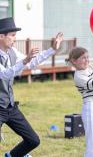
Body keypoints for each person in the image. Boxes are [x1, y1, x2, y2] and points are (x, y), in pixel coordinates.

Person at [0, 17, 63, 157]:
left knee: (33, 141)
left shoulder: (12, 52)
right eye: (12, 35)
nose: (15, 39)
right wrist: (24, 61)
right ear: (1, 36)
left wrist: (52, 50)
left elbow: (31, 62)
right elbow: (4, 74)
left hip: (9, 107)